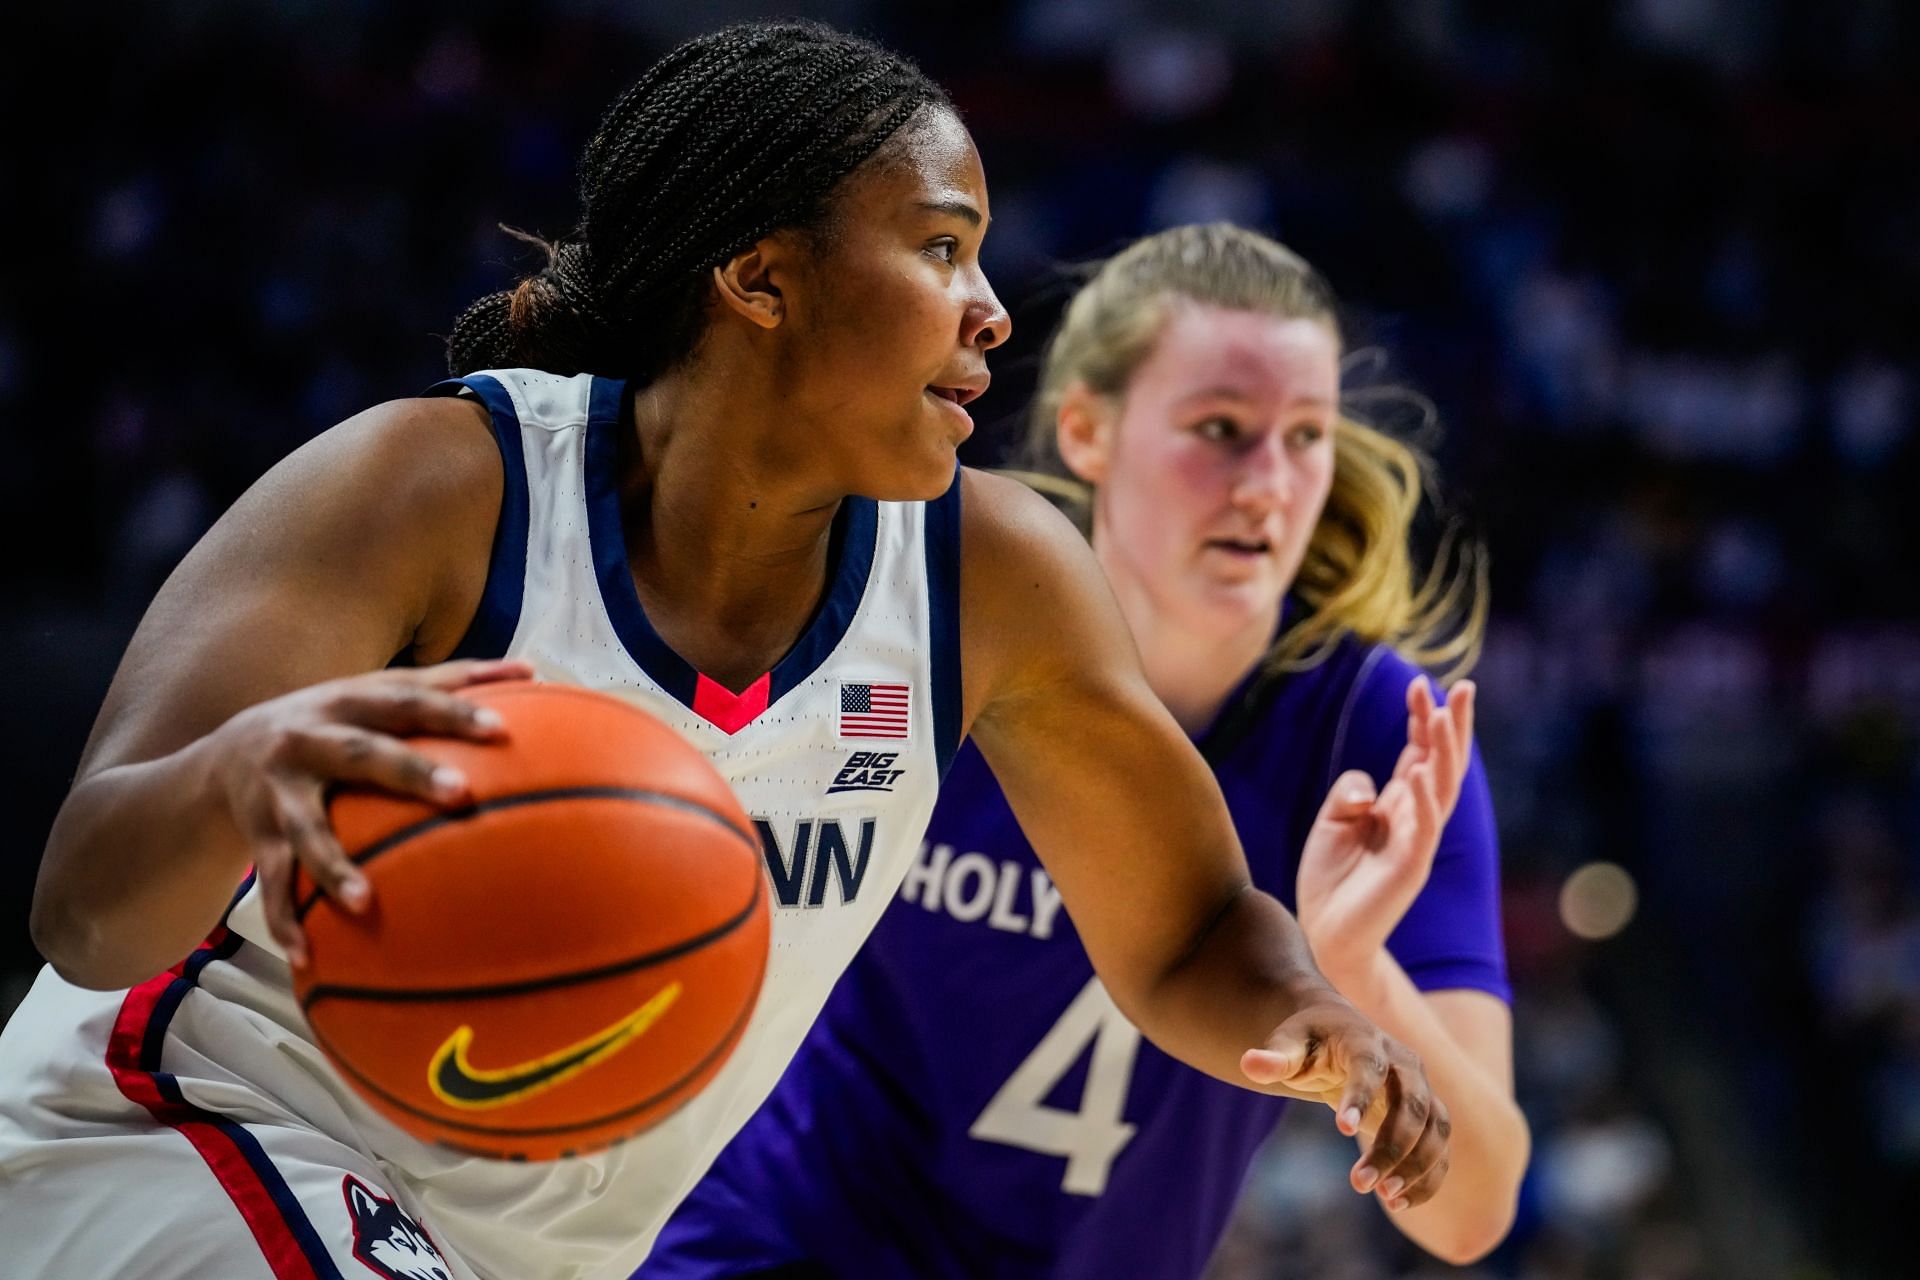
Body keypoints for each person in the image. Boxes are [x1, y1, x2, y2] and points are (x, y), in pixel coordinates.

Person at [0, 24, 1455, 1280]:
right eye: (944, 248)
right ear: (762, 280)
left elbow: (1191, 932)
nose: (996, 312)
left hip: (522, 1246)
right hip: (176, 1129)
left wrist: (1315, 1018)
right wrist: (233, 774)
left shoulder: (990, 576)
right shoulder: (434, 493)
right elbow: (84, 913)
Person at [641, 224, 1529, 1280]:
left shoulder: (1379, 738)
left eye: (1304, 436)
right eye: (1219, 428)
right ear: (1085, 431)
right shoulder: (933, 613)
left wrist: (1354, 965)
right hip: (766, 1241)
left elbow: (1470, 1212)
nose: (1267, 484)